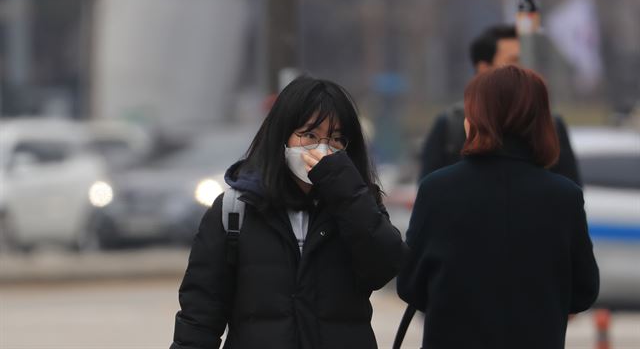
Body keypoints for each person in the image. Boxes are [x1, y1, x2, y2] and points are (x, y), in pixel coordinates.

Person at [170, 76, 408, 349]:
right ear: (283, 137)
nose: (322, 149)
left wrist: (346, 192)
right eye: (309, 135)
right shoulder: (235, 211)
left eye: (336, 139)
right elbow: (200, 316)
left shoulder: (358, 205)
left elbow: (386, 268)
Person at [397, 65, 599, 349]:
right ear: (541, 121)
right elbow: (584, 291)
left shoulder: (437, 189)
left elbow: (410, 286)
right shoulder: (564, 196)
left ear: (477, 118)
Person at [419, 24, 581, 185]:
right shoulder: (450, 126)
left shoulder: (550, 125)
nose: (522, 69)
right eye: (513, 61)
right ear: (484, 68)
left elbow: (570, 192)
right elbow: (429, 195)